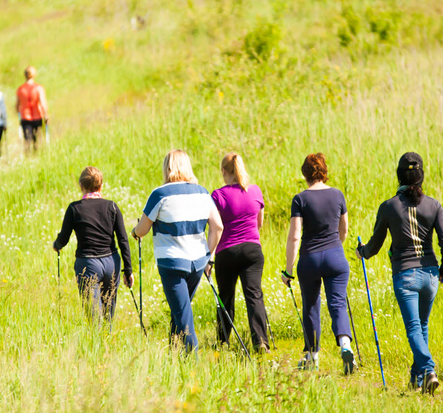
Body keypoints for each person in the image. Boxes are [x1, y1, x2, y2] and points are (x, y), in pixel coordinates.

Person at [357, 152, 443, 395]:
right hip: (430, 275)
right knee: (422, 326)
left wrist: (362, 252)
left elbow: (375, 246)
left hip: (405, 276)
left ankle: (428, 369)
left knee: (413, 328)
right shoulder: (434, 205)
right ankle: (416, 377)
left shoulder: (388, 207)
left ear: (399, 175)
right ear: (422, 176)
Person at [131, 150, 223, 353]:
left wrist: (135, 232)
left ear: (168, 168)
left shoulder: (160, 194)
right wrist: (208, 255)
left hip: (172, 262)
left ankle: (193, 362)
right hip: (197, 262)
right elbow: (218, 227)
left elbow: (143, 229)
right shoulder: (202, 192)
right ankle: (175, 354)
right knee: (180, 309)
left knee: (183, 314)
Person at [281, 153, 355, 373]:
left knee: (311, 306)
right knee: (338, 304)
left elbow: (295, 237)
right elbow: (344, 230)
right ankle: (345, 345)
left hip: (310, 259)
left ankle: (312, 357)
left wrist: (288, 270)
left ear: (305, 174)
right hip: (335, 256)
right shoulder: (338, 195)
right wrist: (335, 246)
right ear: (324, 171)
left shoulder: (300, 199)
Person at [53, 167, 134, 323]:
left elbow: (63, 238)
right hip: (111, 263)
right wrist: (128, 270)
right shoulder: (112, 207)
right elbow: (123, 239)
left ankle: (96, 345)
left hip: (88, 265)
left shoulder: (74, 208)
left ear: (81, 185)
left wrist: (57, 245)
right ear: (101, 185)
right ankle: (108, 344)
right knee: (108, 316)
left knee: (93, 319)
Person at [210, 152, 270, 352]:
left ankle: (223, 342)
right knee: (254, 294)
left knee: (225, 297)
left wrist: (209, 257)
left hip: (227, 251)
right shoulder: (255, 191)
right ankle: (260, 341)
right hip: (252, 250)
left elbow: (215, 228)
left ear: (224, 171)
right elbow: (259, 223)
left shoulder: (218, 195)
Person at [16, 66, 48, 151]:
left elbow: (17, 106)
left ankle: (28, 154)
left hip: (25, 117)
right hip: (37, 116)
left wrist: (18, 112)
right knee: (36, 139)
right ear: (34, 75)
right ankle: (36, 153)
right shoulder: (38, 88)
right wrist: (46, 115)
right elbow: (43, 103)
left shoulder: (21, 89)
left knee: (27, 139)